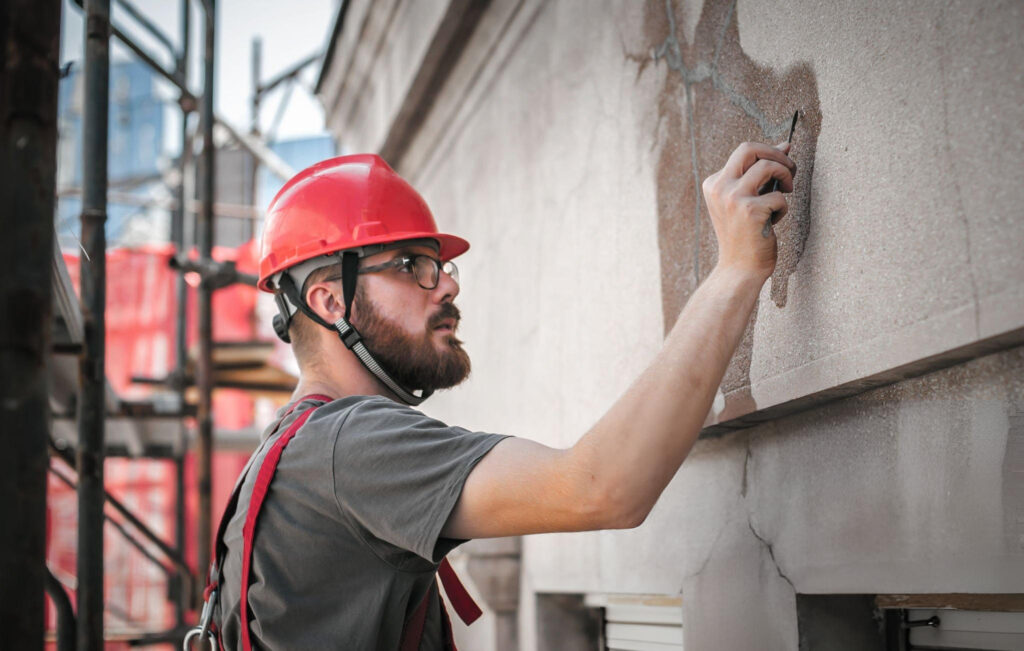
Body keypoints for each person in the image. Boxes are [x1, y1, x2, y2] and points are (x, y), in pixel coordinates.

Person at [208, 142, 795, 650]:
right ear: (330, 302)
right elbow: (602, 488)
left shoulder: (285, 453)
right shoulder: (350, 444)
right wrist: (737, 269)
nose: (449, 284)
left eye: (442, 265)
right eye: (414, 265)